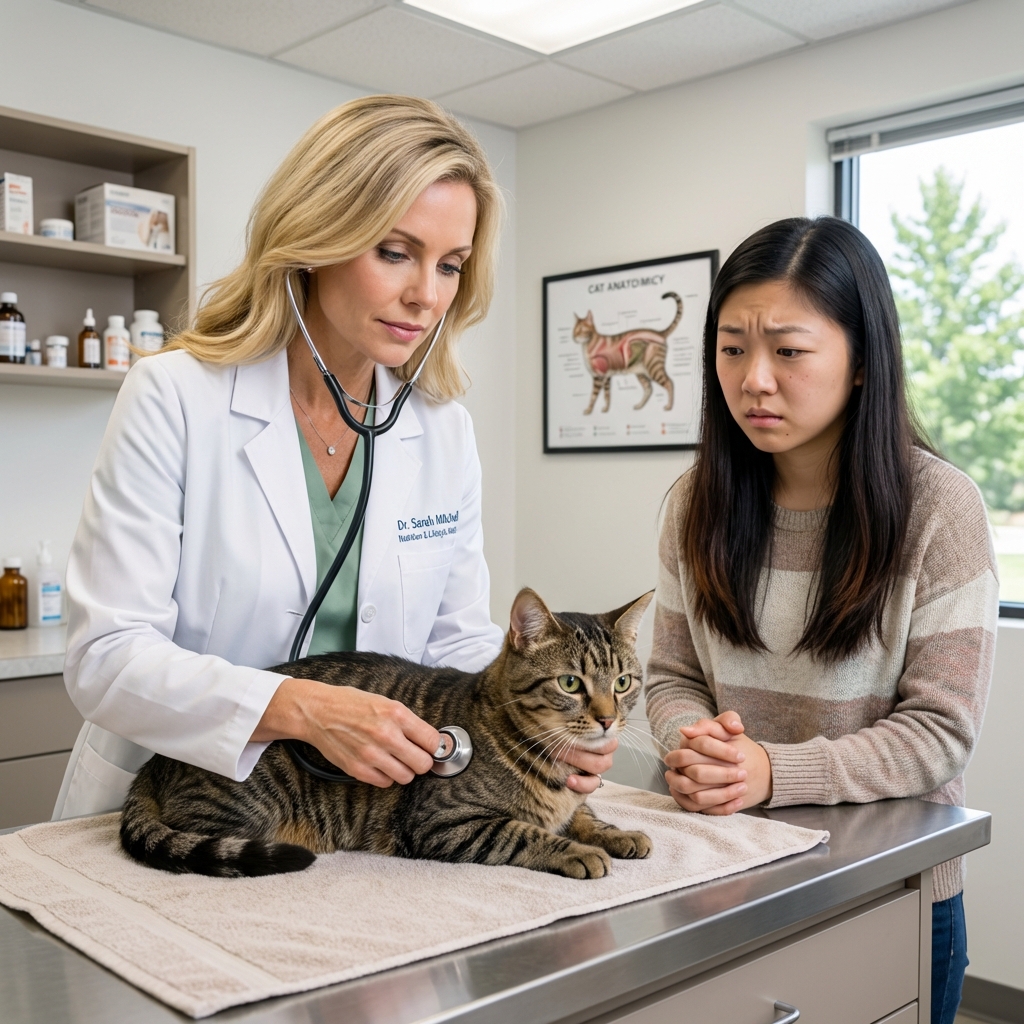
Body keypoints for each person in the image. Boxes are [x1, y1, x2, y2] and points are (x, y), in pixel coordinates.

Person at [55, 96, 614, 820]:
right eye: (394, 252)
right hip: (177, 799)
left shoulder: (441, 430)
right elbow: (107, 656)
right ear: (315, 237)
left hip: (367, 818)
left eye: (450, 266)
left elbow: (461, 642)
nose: (425, 296)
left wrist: (542, 730)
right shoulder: (175, 395)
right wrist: (296, 707)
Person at [645, 216, 996, 1024]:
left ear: (863, 360)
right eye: (732, 349)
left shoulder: (940, 507)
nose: (754, 379)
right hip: (724, 867)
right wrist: (694, 748)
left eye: (788, 351)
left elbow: (939, 732)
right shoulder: (695, 503)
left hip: (887, 885)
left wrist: (770, 771)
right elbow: (672, 675)